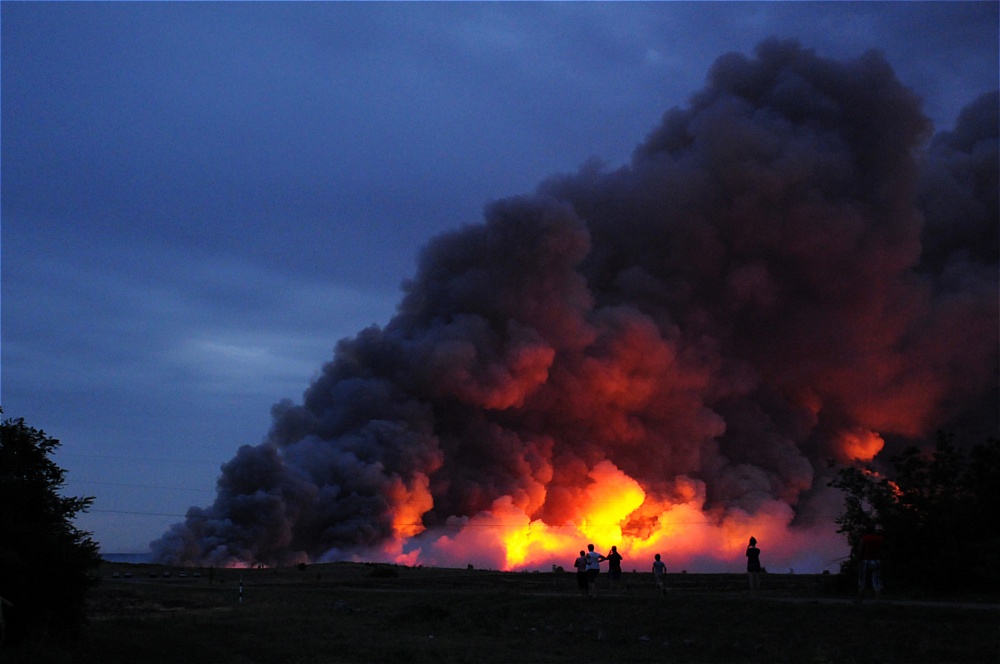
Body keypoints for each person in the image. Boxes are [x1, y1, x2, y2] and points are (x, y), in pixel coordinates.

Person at [857, 531, 884, 602]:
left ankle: (860, 600)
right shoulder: (880, 539)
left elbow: (860, 549)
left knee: (862, 580)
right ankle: (877, 600)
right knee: (877, 581)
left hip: (866, 561)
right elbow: (882, 549)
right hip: (876, 560)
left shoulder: (864, 538)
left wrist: (859, 559)